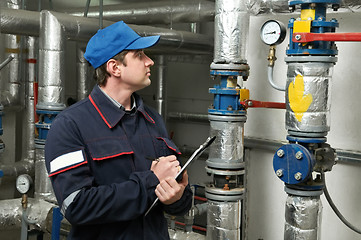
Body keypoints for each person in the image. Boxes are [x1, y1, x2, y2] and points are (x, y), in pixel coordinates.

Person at [45, 21, 192, 240]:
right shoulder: (69, 125)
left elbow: (180, 199)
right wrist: (151, 181)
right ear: (115, 67)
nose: (150, 61)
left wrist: (177, 197)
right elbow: (76, 206)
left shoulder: (153, 120)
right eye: (140, 55)